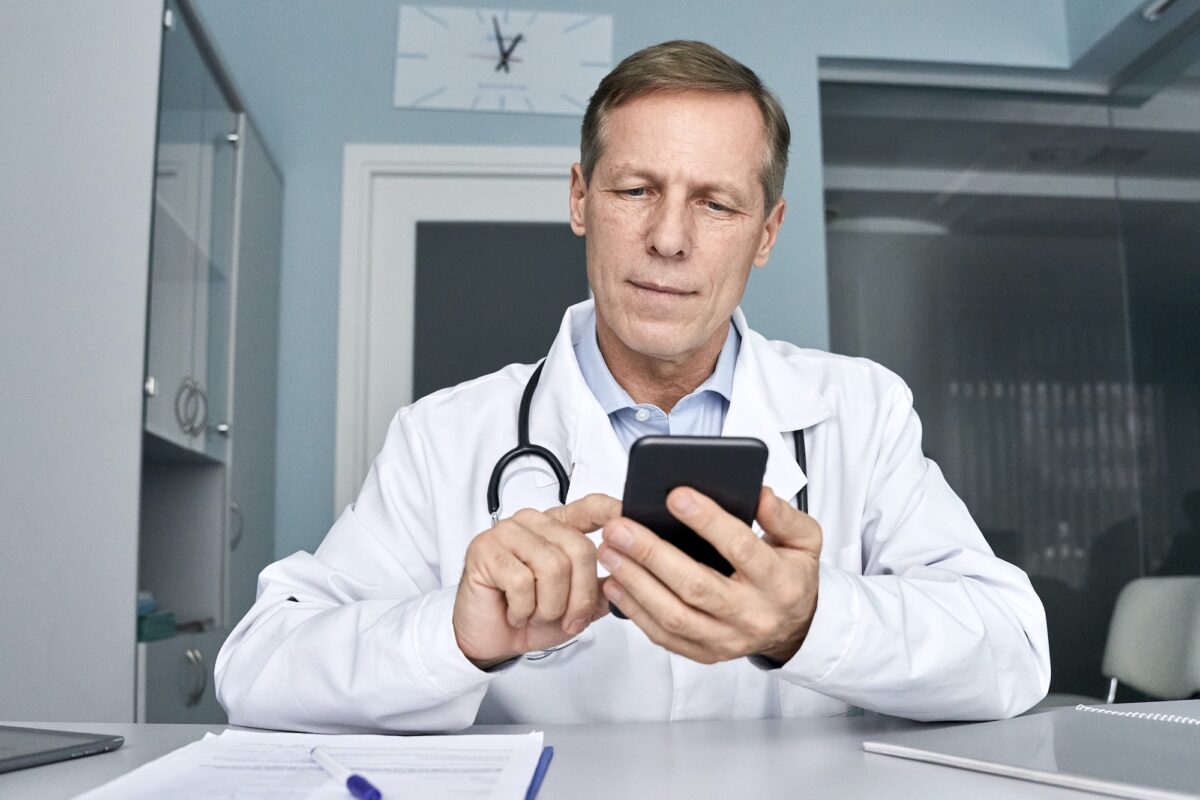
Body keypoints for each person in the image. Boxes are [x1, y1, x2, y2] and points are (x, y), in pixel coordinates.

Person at [215, 40, 1050, 733]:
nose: (669, 239)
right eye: (635, 190)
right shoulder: (443, 436)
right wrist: (454, 634)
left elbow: (1014, 649)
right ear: (581, 199)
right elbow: (256, 668)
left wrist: (810, 620)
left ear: (767, 233)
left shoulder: (859, 412)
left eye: (716, 204)